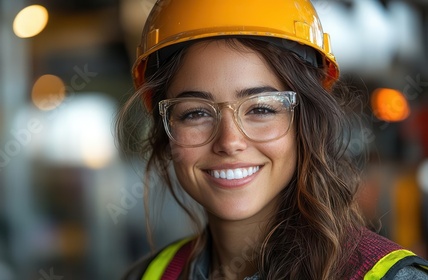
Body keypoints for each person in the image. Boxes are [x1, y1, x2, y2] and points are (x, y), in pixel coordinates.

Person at [117, 0, 428, 279]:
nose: (229, 141)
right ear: (166, 129)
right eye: (196, 113)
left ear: (306, 122)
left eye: (261, 109)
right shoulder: (149, 274)